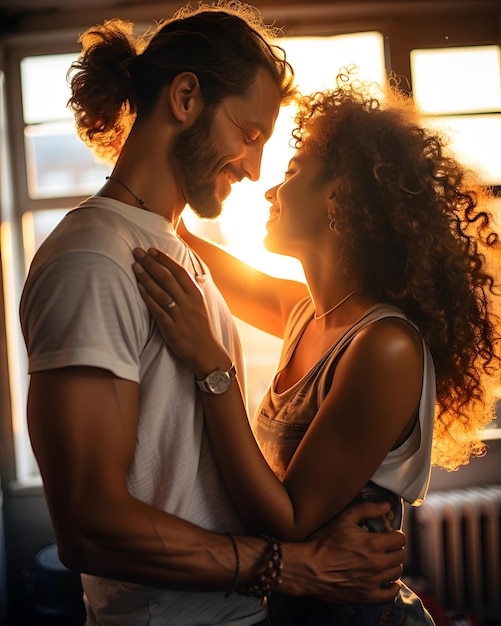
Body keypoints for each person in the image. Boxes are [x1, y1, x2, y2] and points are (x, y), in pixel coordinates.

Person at [19, 5, 407, 626]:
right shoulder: (93, 259)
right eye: (249, 135)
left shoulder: (166, 248)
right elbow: (90, 526)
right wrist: (289, 565)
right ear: (185, 97)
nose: (256, 171)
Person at [131, 74, 501, 624]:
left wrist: (212, 367)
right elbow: (180, 240)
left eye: (291, 173)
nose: (270, 189)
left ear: (339, 194)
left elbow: (292, 519)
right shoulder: (303, 311)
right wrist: (152, 166)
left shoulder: (386, 347)